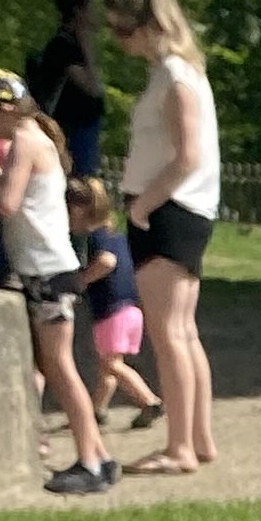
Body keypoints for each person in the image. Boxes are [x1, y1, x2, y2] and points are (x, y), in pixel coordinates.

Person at [0, 69, 115, 493]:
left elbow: (6, 202)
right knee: (59, 367)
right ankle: (100, 458)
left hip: (46, 271)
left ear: (6, 109)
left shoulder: (26, 140)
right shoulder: (34, 137)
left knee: (61, 370)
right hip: (50, 268)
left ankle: (90, 462)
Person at [104, 0, 218, 474]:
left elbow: (188, 156)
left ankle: (180, 448)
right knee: (183, 332)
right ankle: (199, 440)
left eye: (124, 30)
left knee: (169, 334)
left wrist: (142, 207)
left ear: (149, 25)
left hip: (170, 211)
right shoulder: (176, 72)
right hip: (178, 210)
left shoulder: (175, 77)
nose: (119, 41)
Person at [68, 174, 158, 432]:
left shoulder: (96, 237)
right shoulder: (117, 236)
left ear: (79, 210)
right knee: (107, 366)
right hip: (130, 309)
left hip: (111, 312)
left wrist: (81, 280)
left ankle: (148, 401)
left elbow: (107, 262)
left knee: (111, 365)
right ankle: (96, 410)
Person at [25, 0, 106, 184]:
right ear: (78, 11)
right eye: (91, 6)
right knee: (79, 183)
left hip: (81, 126)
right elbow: (92, 88)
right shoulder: (63, 45)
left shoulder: (71, 44)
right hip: (73, 128)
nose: (96, 12)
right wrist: (87, 48)